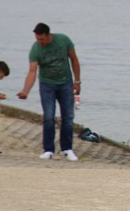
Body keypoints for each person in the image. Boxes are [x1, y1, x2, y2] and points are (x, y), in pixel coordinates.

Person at [16, 22, 82, 161]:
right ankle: (48, 150)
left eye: (41, 39)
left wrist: (77, 82)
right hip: (47, 85)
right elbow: (32, 71)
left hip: (66, 83)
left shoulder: (63, 40)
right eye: (37, 39)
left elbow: (74, 60)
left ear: (48, 35)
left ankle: (67, 149)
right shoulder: (36, 49)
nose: (39, 42)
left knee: (68, 117)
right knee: (49, 117)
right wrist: (25, 91)